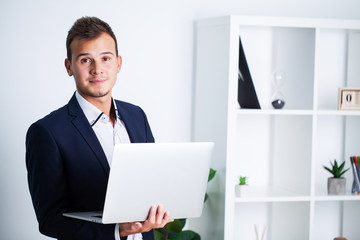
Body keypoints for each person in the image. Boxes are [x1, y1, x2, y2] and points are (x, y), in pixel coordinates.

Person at [26, 16, 172, 240]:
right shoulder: (47, 132)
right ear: (69, 67)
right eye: (85, 60)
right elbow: (50, 220)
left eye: (105, 58)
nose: (97, 69)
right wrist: (117, 230)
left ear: (118, 63)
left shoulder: (137, 116)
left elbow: (152, 181)